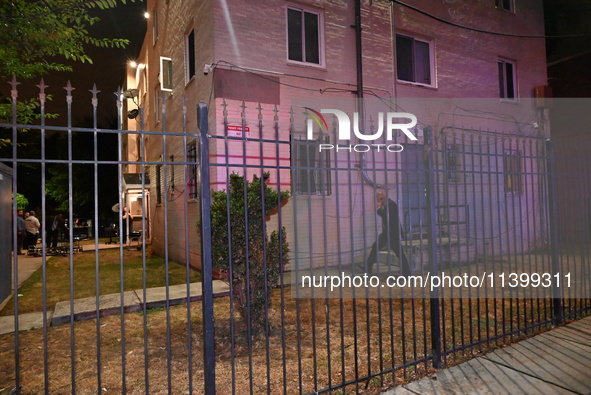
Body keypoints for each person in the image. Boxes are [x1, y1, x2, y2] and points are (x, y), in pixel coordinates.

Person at [364, 191, 411, 276]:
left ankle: (407, 273)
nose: (378, 202)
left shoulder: (391, 205)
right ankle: (368, 268)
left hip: (392, 233)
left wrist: (378, 209)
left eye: (379, 200)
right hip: (388, 233)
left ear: (382, 198)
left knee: (399, 253)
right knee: (377, 247)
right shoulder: (388, 205)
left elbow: (386, 215)